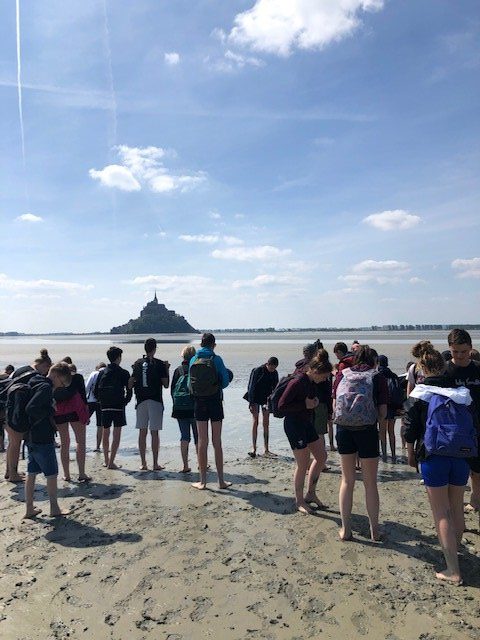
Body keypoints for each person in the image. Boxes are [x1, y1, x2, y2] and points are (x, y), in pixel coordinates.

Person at [404, 348, 474, 586]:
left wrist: (410, 454)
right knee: (456, 508)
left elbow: (409, 429)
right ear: (444, 367)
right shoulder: (462, 393)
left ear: (422, 369)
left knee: (441, 512)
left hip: (434, 457)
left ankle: (453, 569)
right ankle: (456, 551)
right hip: (461, 456)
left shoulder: (420, 393)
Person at [333, 345, 387, 541]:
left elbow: (334, 405)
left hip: (343, 430)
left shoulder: (342, 374)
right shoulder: (377, 377)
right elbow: (382, 412)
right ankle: (374, 531)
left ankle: (346, 530)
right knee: (370, 483)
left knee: (347, 481)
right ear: (374, 361)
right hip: (367, 431)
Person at [278, 355, 333, 514]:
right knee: (302, 464)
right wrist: (304, 404)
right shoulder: (297, 382)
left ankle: (311, 494)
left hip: (306, 423)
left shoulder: (312, 382)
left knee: (321, 456)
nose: (325, 379)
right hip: (294, 425)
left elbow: (310, 401)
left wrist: (314, 403)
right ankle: (299, 501)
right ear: (315, 371)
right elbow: (281, 406)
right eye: (324, 376)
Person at [23, 361, 72, 519]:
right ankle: (54, 508)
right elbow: (31, 408)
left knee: (31, 472)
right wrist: (50, 409)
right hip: (42, 436)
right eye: (62, 383)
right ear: (56, 376)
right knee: (51, 473)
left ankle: (29, 509)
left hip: (30, 435)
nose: (60, 387)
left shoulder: (35, 380)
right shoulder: (45, 388)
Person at [188, 332, 231, 490]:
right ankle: (221, 481)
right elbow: (225, 382)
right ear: (214, 345)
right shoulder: (217, 359)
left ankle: (203, 482)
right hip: (215, 402)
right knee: (216, 441)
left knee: (202, 441)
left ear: (201, 344)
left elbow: (189, 385)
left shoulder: (193, 359)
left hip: (199, 403)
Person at [445, 329, 480, 515]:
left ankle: (475, 500)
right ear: (450, 348)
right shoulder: (444, 371)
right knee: (455, 469)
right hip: (452, 429)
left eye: (464, 351)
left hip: (476, 426)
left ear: (471, 348)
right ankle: (454, 506)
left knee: (477, 469)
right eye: (455, 351)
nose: (459, 356)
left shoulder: (478, 369)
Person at [4, 349, 52, 482]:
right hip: (15, 412)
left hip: (6, 408)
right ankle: (13, 474)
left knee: (12, 442)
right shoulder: (34, 376)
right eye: (46, 370)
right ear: (45, 365)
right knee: (16, 443)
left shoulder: (21, 370)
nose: (45, 374)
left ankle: (9, 471)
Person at [132, 338, 170, 471]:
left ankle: (143, 463)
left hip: (141, 400)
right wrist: (167, 369)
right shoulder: (159, 364)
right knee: (154, 433)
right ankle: (155, 463)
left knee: (142, 432)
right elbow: (166, 384)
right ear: (154, 349)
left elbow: (132, 381)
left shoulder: (137, 363)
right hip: (155, 400)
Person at [94, 346, 132, 470]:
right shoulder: (124, 372)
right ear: (119, 357)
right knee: (117, 434)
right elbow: (129, 389)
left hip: (105, 406)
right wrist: (125, 401)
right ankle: (111, 462)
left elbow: (95, 391)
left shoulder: (102, 372)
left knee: (106, 432)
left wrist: (101, 401)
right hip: (118, 406)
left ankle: (106, 460)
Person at [54, 358, 90, 482]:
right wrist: (86, 414)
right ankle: (81, 473)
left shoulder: (56, 379)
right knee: (81, 442)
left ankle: (66, 475)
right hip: (75, 412)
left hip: (59, 412)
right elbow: (83, 397)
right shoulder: (78, 377)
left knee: (64, 443)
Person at [245, 356, 279, 458]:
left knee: (266, 423)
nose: (272, 370)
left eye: (274, 368)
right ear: (267, 364)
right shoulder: (257, 371)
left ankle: (266, 449)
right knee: (255, 421)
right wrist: (251, 402)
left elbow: (276, 389)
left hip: (266, 400)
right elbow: (251, 387)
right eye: (271, 368)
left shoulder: (275, 373)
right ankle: (254, 448)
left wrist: (274, 403)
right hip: (255, 398)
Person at [171, 345, 197, 473]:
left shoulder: (178, 370)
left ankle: (185, 465)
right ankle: (201, 463)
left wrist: (176, 404)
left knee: (184, 436)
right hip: (194, 408)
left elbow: (172, 391)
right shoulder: (196, 368)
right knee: (199, 437)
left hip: (180, 408)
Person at [377, 355, 402, 462]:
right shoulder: (394, 375)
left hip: (382, 405)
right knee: (391, 431)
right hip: (393, 406)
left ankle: (384, 454)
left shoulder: (378, 375)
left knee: (382, 431)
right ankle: (393, 454)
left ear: (378, 363)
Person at [85, 362, 107, 452]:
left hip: (90, 401)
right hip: (102, 402)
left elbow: (87, 388)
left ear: (97, 368)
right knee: (100, 425)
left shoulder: (94, 374)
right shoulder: (107, 374)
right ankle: (98, 447)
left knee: (82, 422)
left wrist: (83, 402)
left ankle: (81, 444)